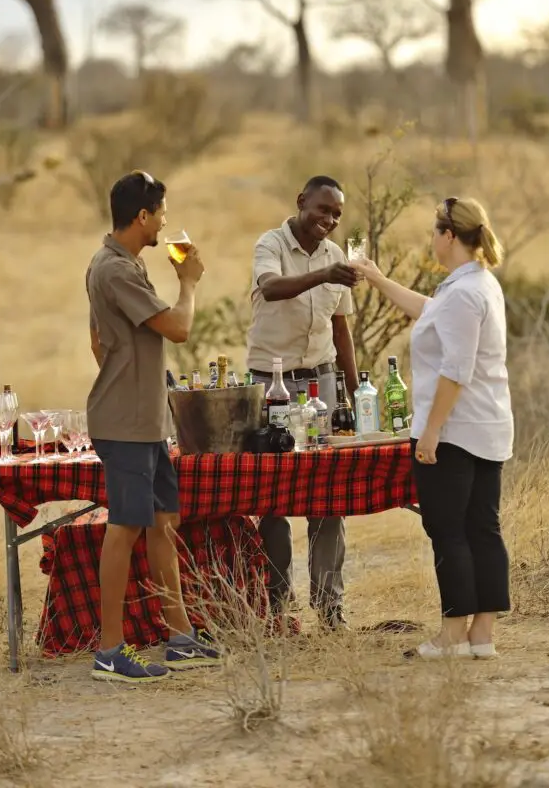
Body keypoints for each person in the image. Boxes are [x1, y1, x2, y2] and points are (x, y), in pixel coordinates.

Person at [351, 197, 512, 659]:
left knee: (448, 529)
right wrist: (379, 278)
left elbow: (455, 369)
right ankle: (481, 635)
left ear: (448, 236)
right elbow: (428, 310)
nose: (431, 240)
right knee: (483, 526)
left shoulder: (463, 292)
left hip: (457, 430)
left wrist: (431, 431)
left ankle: (453, 633)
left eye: (433, 232)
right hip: (487, 424)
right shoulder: (473, 285)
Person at [86, 170, 221, 682]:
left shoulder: (122, 264)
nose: (165, 222)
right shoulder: (115, 270)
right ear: (142, 216)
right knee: (124, 529)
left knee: (164, 522)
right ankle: (110, 651)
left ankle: (180, 637)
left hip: (146, 420)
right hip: (126, 423)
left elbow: (97, 341)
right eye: (160, 213)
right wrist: (189, 282)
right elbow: (180, 329)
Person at [246, 175, 361, 630]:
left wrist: (355, 393)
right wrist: (324, 274)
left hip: (322, 382)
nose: (329, 221)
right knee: (273, 494)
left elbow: (341, 330)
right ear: (301, 203)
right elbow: (272, 288)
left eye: (336, 215)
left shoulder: (336, 256)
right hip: (271, 383)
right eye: (322, 210)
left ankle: (330, 607)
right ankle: (277, 605)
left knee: (328, 491)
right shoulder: (269, 244)